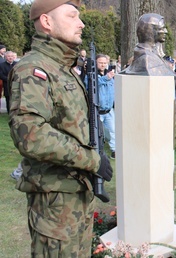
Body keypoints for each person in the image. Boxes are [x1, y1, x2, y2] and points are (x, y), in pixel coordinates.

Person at [8, 1, 113, 257]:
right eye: (72, 16)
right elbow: (31, 135)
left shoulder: (64, 69)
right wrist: (91, 159)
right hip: (55, 200)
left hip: (76, 194)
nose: (81, 23)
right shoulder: (33, 69)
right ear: (47, 22)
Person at [92, 54, 116, 159]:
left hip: (109, 111)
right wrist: (106, 78)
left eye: (105, 63)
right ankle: (98, 152)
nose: (103, 65)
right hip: (98, 111)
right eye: (100, 63)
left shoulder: (110, 76)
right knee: (98, 133)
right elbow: (93, 85)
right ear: (96, 63)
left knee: (113, 131)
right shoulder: (92, 75)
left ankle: (114, 151)